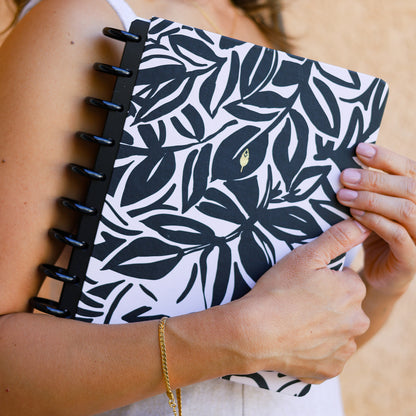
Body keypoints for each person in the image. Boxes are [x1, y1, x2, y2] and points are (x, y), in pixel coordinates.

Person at [0, 0, 415, 415]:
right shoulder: (81, 20)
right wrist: (234, 338)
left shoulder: (273, 47)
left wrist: (381, 289)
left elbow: (298, 360)